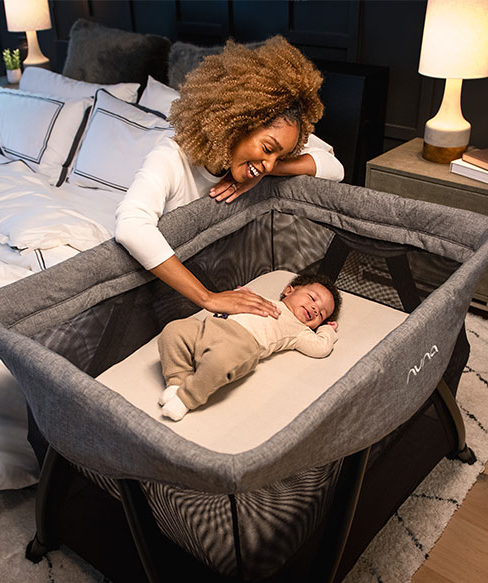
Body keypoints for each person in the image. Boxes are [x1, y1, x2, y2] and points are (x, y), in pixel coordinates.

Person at [115, 36, 344, 319]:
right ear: (237, 124)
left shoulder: (266, 156)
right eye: (268, 149)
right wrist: (208, 298)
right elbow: (130, 226)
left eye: (280, 155)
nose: (270, 162)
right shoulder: (170, 157)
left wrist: (268, 168)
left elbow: (335, 168)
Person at [157, 273, 342, 421]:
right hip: (211, 326)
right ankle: (177, 381)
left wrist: (326, 330)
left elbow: (320, 347)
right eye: (312, 298)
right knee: (173, 331)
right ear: (289, 290)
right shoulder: (263, 300)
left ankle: (186, 398)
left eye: (322, 314)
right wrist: (241, 294)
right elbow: (234, 301)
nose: (315, 309)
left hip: (242, 344)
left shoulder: (299, 330)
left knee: (220, 361)